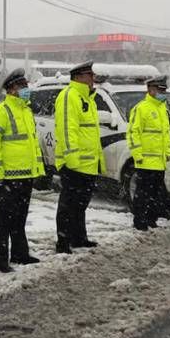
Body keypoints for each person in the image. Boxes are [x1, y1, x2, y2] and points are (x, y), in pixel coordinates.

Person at [0, 68, 45, 273]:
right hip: (8, 177)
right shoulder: (0, 112)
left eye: (26, 85)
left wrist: (37, 169)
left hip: (25, 174)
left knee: (20, 218)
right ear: (11, 89)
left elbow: (32, 144)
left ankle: (20, 254)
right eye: (22, 86)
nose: (26, 89)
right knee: (2, 220)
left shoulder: (26, 111)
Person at [53, 60, 106, 253]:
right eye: (90, 75)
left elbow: (91, 133)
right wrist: (72, 160)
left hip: (88, 164)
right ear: (79, 77)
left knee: (80, 205)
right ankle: (63, 242)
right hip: (74, 164)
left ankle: (78, 238)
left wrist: (98, 159)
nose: (93, 79)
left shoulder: (88, 98)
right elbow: (68, 130)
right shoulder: (69, 96)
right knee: (68, 204)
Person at [126, 75, 170, 231]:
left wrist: (167, 152)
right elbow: (133, 133)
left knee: (156, 193)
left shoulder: (162, 109)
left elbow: (165, 134)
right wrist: (138, 156)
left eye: (164, 90)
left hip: (160, 162)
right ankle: (140, 221)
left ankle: (152, 219)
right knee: (142, 194)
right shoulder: (141, 108)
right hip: (145, 161)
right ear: (151, 89)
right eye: (160, 90)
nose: (163, 93)